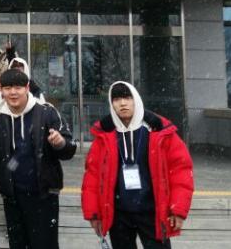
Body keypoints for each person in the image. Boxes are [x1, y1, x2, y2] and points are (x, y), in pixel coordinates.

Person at [82, 82, 194, 249]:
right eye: (116, 99)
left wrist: (178, 209)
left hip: (152, 211)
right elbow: (92, 176)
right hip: (119, 214)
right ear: (111, 104)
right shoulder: (105, 135)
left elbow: (181, 171)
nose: (123, 103)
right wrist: (94, 213)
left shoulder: (159, 131)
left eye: (128, 98)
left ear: (136, 100)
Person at [0, 69, 76, 249]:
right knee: (17, 244)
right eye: (8, 88)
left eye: (18, 87)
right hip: (13, 199)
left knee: (45, 245)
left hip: (43, 196)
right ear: (2, 91)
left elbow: (69, 150)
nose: (13, 92)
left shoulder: (47, 113)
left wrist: (60, 143)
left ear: (27, 88)